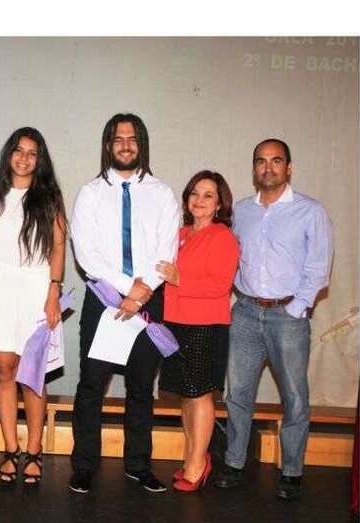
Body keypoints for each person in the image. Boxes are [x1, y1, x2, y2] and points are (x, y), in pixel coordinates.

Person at [212, 138, 333, 500]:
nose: (268, 167)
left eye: (276, 160)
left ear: (288, 167)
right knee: (237, 393)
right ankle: (234, 462)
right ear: (254, 168)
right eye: (261, 161)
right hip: (246, 313)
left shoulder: (310, 211)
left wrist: (296, 308)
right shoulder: (241, 211)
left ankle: (292, 471)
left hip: (288, 316)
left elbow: (319, 268)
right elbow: (228, 257)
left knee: (294, 396)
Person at [69, 113, 179, 494]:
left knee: (141, 387)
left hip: (150, 302)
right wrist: (128, 288)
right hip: (104, 300)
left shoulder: (162, 193)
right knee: (91, 385)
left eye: (132, 139)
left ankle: (138, 465)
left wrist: (143, 292)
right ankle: (84, 466)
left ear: (142, 144)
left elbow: (167, 249)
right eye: (118, 139)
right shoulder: (90, 193)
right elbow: (86, 253)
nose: (126, 145)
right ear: (108, 145)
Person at [0, 127, 67, 485]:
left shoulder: (50, 198)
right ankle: (10, 448)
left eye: (32, 153)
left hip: (36, 287)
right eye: (19, 150)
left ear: (39, 160)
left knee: (32, 374)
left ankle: (34, 450)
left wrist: (53, 292)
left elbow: (58, 247)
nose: (24, 158)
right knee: (3, 368)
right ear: (9, 154)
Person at [155, 170, 239, 492]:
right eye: (194, 193)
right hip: (175, 322)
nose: (199, 200)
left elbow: (220, 285)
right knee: (186, 395)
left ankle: (198, 464)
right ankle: (192, 455)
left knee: (200, 394)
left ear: (219, 204)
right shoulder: (179, 234)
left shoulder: (222, 236)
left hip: (205, 324)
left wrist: (180, 279)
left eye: (208, 195)